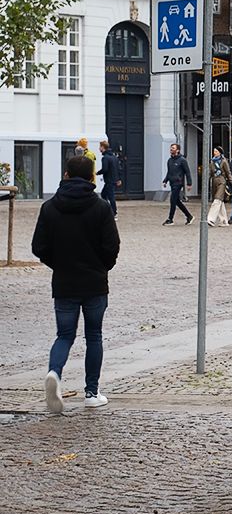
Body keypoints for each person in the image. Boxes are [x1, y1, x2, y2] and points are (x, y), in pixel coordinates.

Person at [32, 154, 120, 411]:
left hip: (64, 282)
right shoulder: (101, 207)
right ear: (92, 176)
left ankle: (55, 373)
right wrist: (103, 266)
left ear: (66, 175)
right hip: (94, 282)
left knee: (64, 335)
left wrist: (58, 264)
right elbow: (112, 245)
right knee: (94, 335)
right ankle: (92, 392)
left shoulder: (49, 207)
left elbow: (39, 247)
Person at [162, 143, 194, 225]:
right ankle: (189, 216)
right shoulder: (170, 160)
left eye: (173, 148)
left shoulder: (182, 160)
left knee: (173, 200)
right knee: (177, 201)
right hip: (172, 183)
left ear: (178, 150)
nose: (171, 149)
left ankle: (170, 219)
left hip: (178, 183)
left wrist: (189, 183)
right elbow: (169, 172)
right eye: (171, 148)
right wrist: (165, 181)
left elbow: (187, 172)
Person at [206, 146, 232, 227]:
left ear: (220, 152)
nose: (215, 153)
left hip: (222, 181)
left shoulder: (224, 161)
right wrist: (206, 182)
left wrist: (231, 181)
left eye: (216, 151)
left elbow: (228, 172)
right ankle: (224, 221)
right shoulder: (212, 162)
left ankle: (211, 219)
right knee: (220, 202)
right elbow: (209, 173)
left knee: (217, 200)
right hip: (214, 182)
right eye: (214, 151)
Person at [96, 140, 121, 219]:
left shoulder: (105, 158)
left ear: (103, 147)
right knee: (104, 195)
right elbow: (118, 169)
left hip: (109, 180)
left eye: (100, 147)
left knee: (110, 196)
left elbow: (105, 169)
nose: (99, 148)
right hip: (113, 180)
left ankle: (113, 212)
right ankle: (108, 210)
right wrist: (118, 179)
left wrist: (97, 173)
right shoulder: (114, 157)